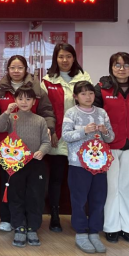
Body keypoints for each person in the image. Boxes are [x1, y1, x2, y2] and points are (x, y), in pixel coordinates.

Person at [0, 55, 55, 232]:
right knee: (8, 184)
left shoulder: (37, 89)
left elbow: (47, 111)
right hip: (8, 146)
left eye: (20, 68)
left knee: (31, 189)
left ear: (26, 69)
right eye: (12, 68)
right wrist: (4, 118)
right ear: (7, 70)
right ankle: (7, 218)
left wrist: (48, 128)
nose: (16, 71)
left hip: (32, 147)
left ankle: (27, 222)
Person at [94, 52, 129, 244]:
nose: (121, 69)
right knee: (111, 188)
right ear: (111, 67)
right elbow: (94, 115)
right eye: (117, 65)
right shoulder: (102, 89)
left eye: (126, 65)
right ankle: (111, 227)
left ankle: (128, 228)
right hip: (109, 145)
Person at [41, 43, 92, 232]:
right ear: (55, 58)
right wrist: (51, 130)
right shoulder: (47, 81)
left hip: (81, 137)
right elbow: (44, 110)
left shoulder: (84, 78)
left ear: (74, 58)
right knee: (56, 178)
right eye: (61, 56)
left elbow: (90, 105)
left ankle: (79, 216)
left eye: (68, 56)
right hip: (58, 136)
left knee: (79, 180)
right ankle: (54, 216)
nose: (65, 60)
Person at [0, 87, 51, 248]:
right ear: (15, 100)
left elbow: (46, 142)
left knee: (35, 196)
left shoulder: (40, 120)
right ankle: (19, 226)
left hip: (35, 163)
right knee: (15, 195)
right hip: (15, 162)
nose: (24, 102)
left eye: (28, 99)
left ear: (34, 102)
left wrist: (42, 151)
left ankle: (32, 227)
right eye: (20, 99)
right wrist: (6, 112)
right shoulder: (12, 117)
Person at [62, 81, 115, 254]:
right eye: (83, 94)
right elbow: (66, 136)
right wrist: (84, 131)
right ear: (76, 97)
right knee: (79, 199)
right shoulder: (71, 113)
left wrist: (105, 132)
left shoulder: (102, 113)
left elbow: (111, 138)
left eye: (91, 93)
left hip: (99, 164)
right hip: (78, 164)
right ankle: (81, 233)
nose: (88, 97)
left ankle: (94, 232)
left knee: (98, 198)